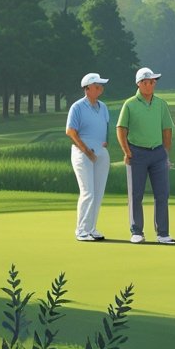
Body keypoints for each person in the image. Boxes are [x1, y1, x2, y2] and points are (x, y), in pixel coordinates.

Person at [116, 67, 175, 244]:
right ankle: (137, 231)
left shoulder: (160, 104)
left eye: (153, 82)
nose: (151, 85)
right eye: (148, 82)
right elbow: (121, 129)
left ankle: (163, 233)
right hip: (137, 153)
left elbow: (167, 129)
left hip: (157, 153)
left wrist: (165, 153)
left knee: (162, 194)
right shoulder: (130, 104)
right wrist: (127, 151)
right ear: (139, 83)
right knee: (136, 194)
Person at [65, 72, 111, 241]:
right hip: (82, 153)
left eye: (101, 85)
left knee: (98, 193)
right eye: (98, 85)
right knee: (88, 192)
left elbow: (106, 128)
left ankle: (91, 228)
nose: (101, 88)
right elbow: (71, 131)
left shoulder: (103, 107)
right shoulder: (77, 107)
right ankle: (82, 230)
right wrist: (87, 151)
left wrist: (105, 143)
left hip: (100, 152)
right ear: (88, 88)